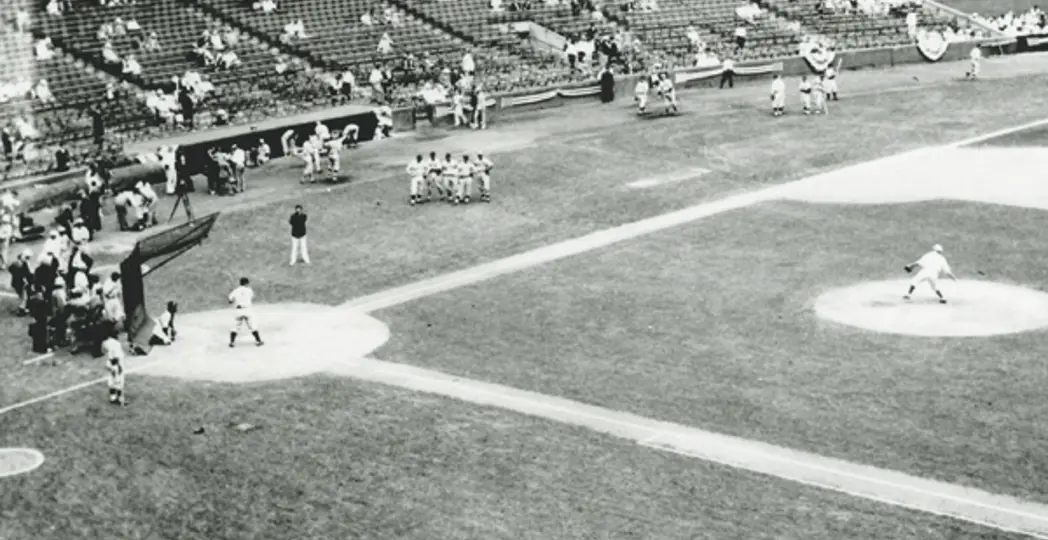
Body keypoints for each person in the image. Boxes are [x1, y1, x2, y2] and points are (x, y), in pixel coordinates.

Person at [228, 277, 263, 347]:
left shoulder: (235, 291)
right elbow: (251, 297)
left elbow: (230, 300)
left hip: (238, 310)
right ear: (246, 283)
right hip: (247, 309)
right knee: (252, 326)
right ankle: (258, 341)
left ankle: (232, 342)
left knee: (235, 327)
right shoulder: (249, 290)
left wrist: (236, 301)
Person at [102, 328, 127, 406]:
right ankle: (120, 400)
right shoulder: (116, 343)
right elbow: (117, 356)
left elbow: (103, 351)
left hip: (108, 363)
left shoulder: (104, 342)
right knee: (118, 382)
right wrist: (118, 367)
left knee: (111, 381)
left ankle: (112, 398)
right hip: (115, 364)